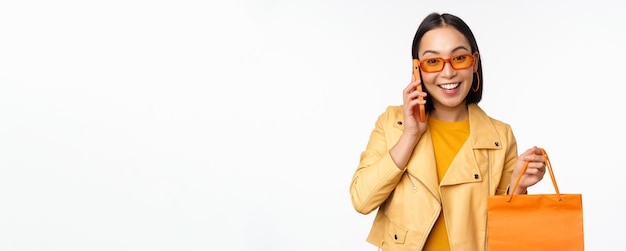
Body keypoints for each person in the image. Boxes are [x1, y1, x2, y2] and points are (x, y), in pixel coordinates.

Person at [349, 12, 547, 251]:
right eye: (433, 61)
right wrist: (410, 135)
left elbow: (506, 236)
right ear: (417, 69)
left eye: (459, 58)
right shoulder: (391, 123)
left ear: (474, 62)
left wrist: (518, 187)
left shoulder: (499, 136)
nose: (448, 72)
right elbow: (362, 200)